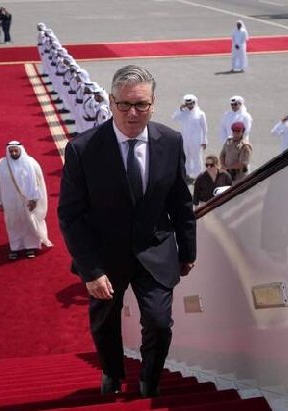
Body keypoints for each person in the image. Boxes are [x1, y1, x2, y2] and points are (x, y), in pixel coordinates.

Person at [58, 65, 196, 399]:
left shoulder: (171, 141)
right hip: (105, 258)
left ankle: (149, 379)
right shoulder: (83, 149)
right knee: (105, 324)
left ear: (153, 103)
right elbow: (71, 216)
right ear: (110, 102)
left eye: (141, 104)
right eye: (124, 105)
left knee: (159, 323)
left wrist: (188, 250)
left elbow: (180, 200)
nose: (132, 113)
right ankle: (112, 372)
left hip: (155, 250)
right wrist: (91, 270)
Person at [0, 141, 52, 260]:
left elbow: (39, 183)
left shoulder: (31, 163)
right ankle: (15, 247)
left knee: (28, 222)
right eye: (11, 151)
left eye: (16, 150)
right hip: (9, 201)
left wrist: (35, 199)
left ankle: (31, 246)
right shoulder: (1, 165)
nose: (14, 153)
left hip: (28, 202)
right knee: (13, 224)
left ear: (21, 150)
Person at [172, 94, 207, 182]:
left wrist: (204, 140)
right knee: (186, 157)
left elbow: (204, 128)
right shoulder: (183, 113)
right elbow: (174, 118)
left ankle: (198, 175)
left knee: (197, 157)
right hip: (185, 139)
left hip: (197, 140)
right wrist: (180, 109)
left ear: (194, 103)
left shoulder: (200, 114)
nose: (190, 105)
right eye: (188, 104)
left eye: (191, 103)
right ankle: (187, 174)